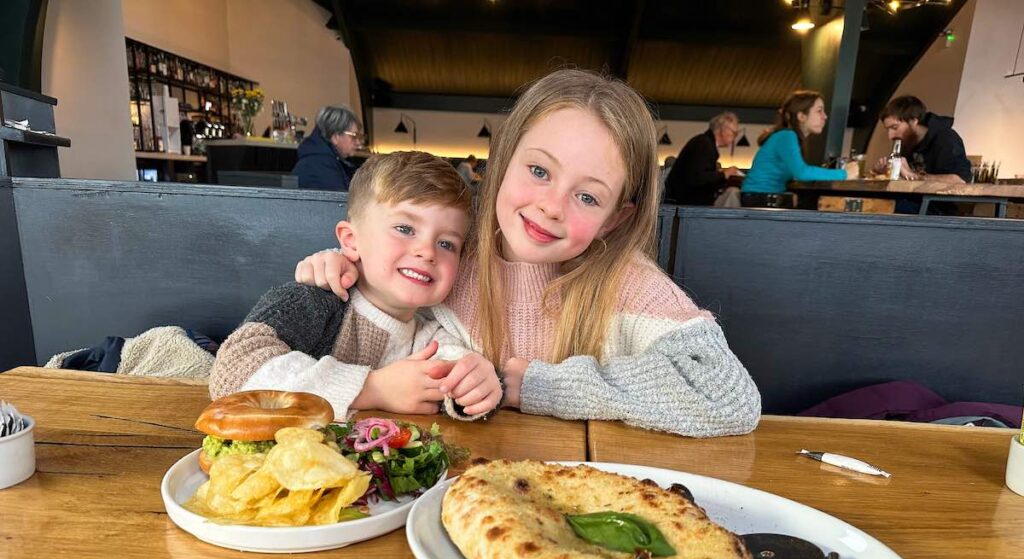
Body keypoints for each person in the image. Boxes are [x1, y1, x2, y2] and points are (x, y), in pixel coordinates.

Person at [294, 69, 760, 437]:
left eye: (588, 197)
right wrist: (340, 262)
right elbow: (387, 267)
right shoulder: (449, 253)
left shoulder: (627, 282)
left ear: (615, 219)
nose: (550, 206)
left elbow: (730, 398)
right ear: (502, 157)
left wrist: (545, 387)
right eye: (539, 170)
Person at [210, 151, 502, 418]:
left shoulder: (431, 332)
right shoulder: (314, 298)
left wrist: (474, 385)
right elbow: (233, 370)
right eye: (405, 229)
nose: (427, 251)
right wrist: (371, 389)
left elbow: (454, 371)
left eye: (446, 243)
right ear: (351, 240)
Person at [741, 90, 856, 205]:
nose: (825, 116)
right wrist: (844, 174)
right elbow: (802, 173)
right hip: (759, 199)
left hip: (758, 197)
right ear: (801, 116)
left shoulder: (788, 136)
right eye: (819, 111)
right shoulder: (787, 136)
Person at [874, 95, 971, 184]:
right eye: (888, 130)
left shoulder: (946, 139)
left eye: (895, 127)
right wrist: (888, 172)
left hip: (934, 202)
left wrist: (913, 175)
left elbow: (960, 180)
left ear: (913, 121)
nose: (890, 136)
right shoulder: (907, 141)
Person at [663, 113, 743, 206]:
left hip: (684, 201)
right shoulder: (704, 144)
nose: (735, 137)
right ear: (723, 129)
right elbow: (697, 178)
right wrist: (724, 174)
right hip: (686, 205)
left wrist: (720, 174)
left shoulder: (703, 142)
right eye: (734, 133)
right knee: (732, 195)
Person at [292, 105, 363, 191]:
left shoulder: (323, 160)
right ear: (335, 137)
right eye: (354, 136)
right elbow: (339, 203)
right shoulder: (322, 167)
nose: (358, 142)